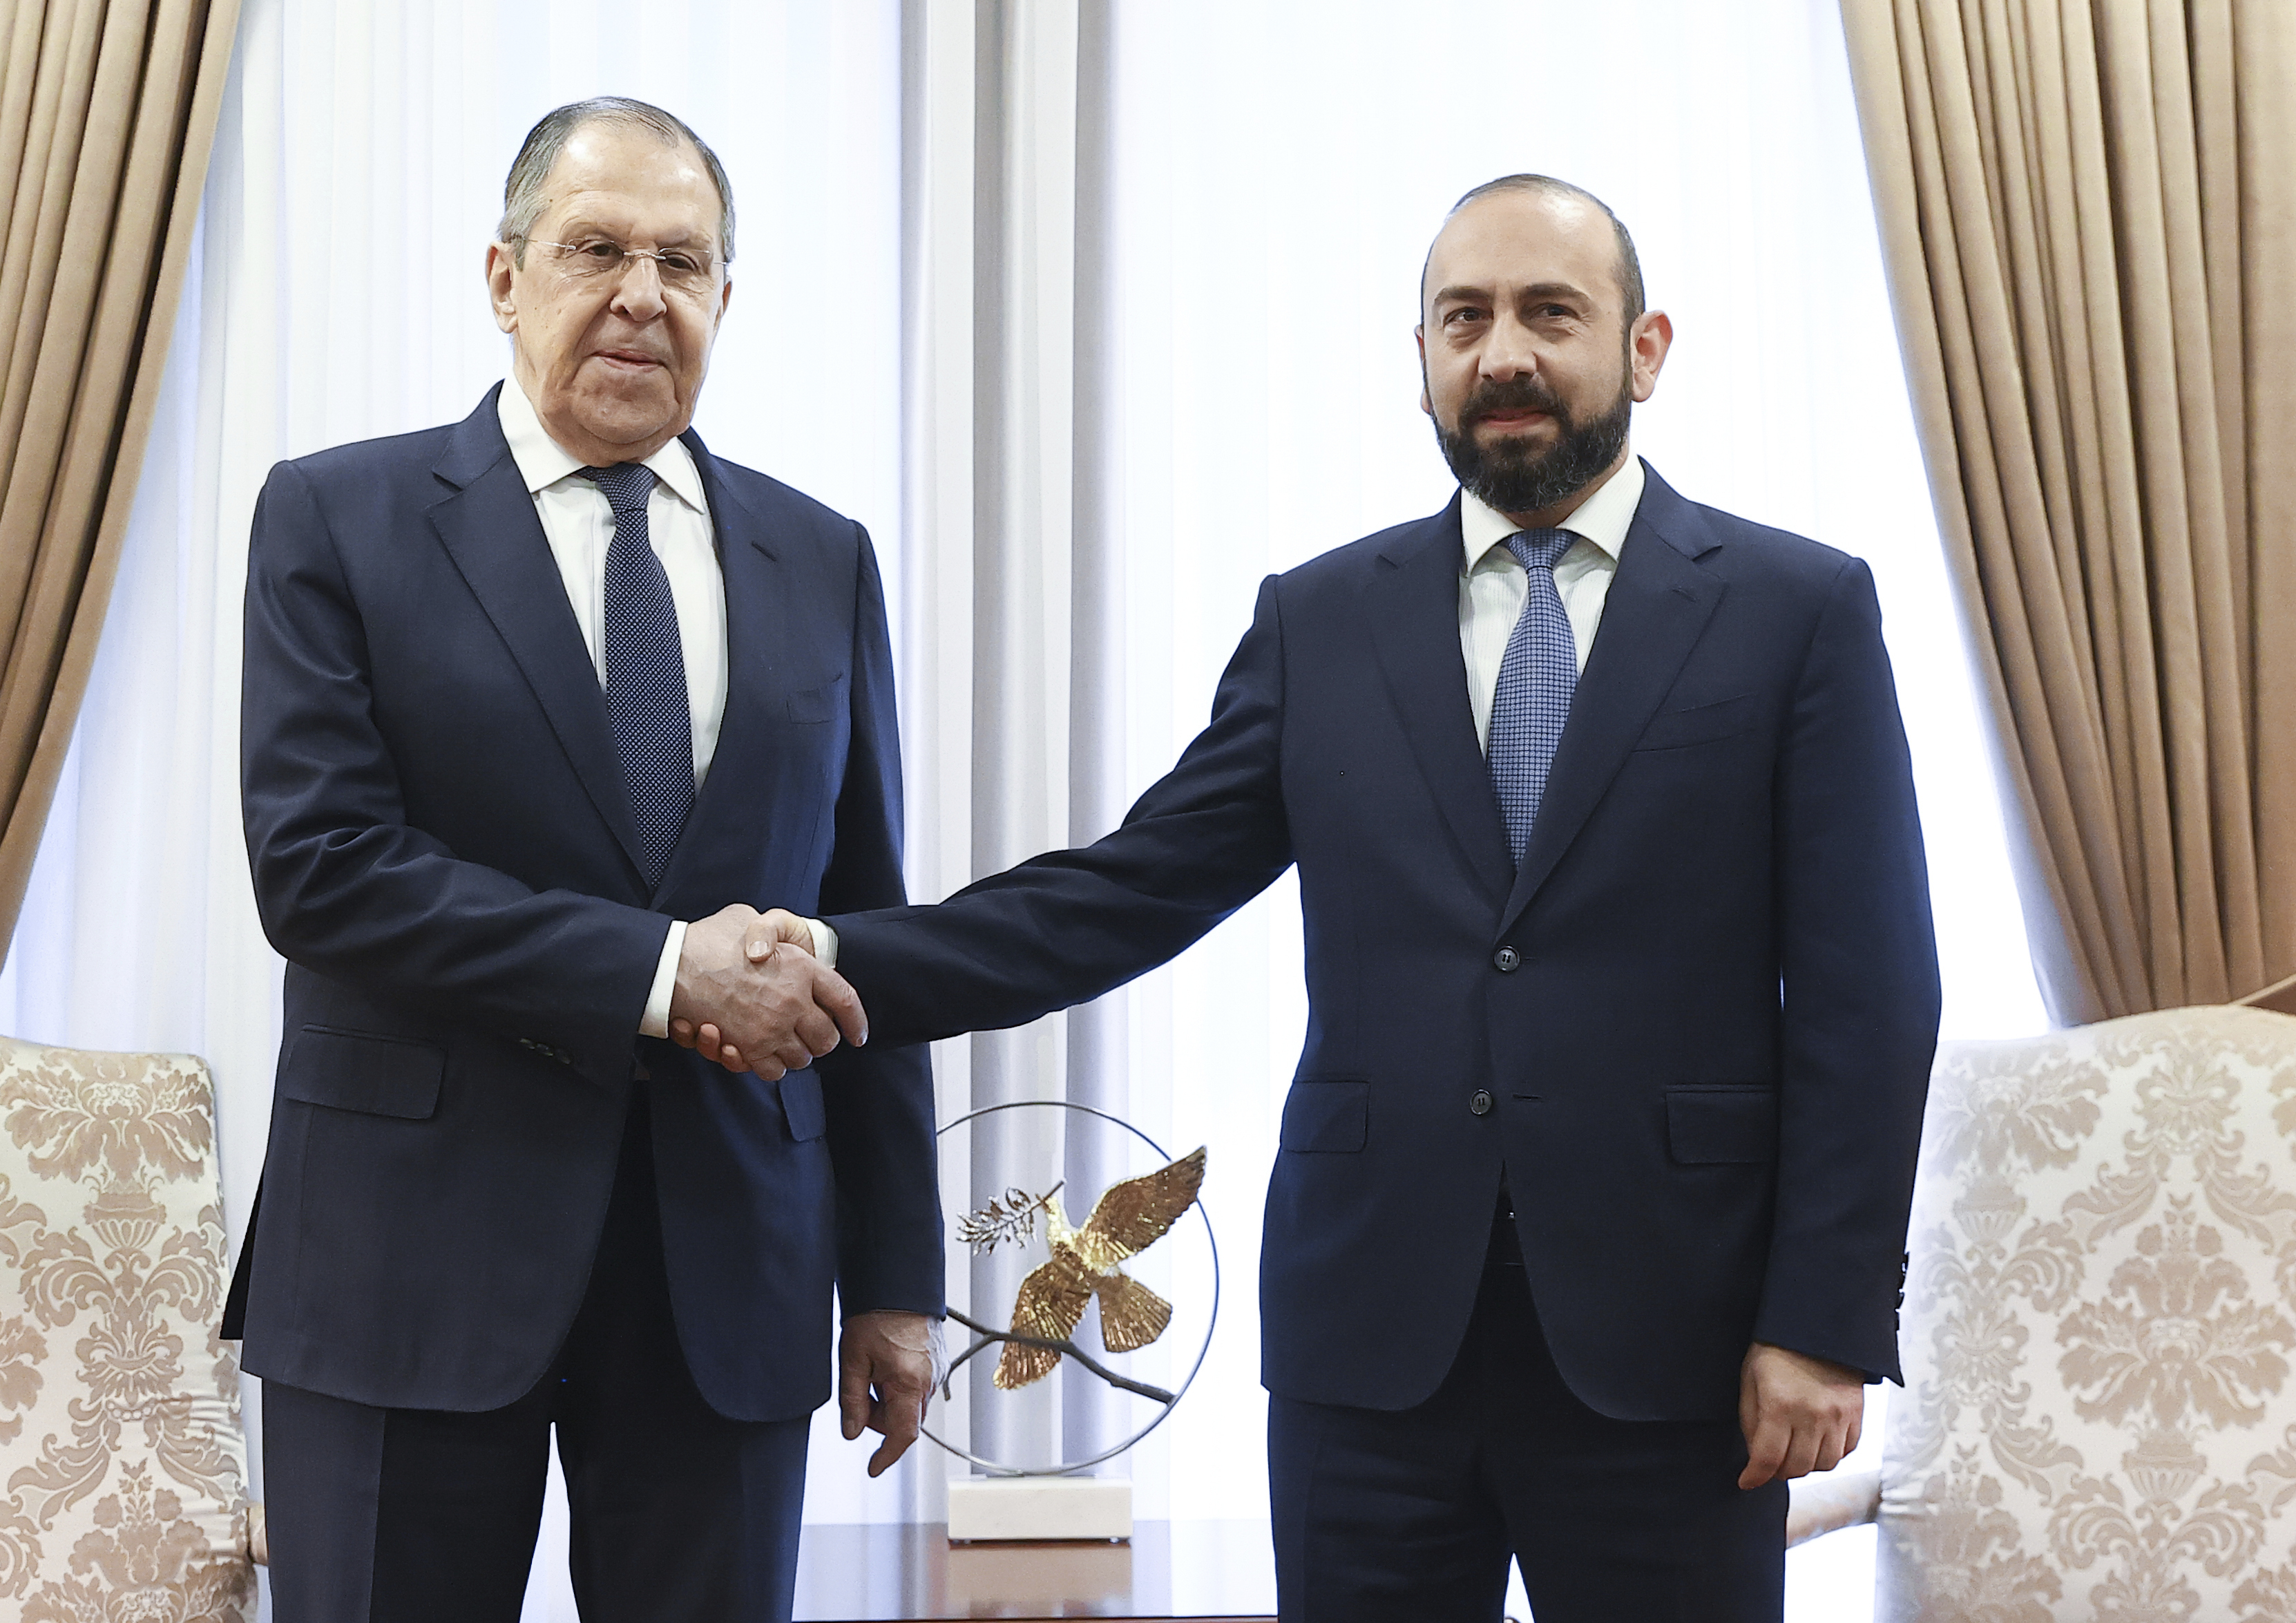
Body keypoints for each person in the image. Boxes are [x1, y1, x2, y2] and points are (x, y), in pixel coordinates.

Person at [699, 175, 1938, 1620]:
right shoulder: (1321, 618)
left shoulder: (1795, 610)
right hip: (1372, 1347)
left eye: (1550, 313)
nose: (1503, 354)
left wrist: (1824, 1320)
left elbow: (1871, 991)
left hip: (1680, 1341)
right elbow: (1123, 890)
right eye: (1463, 318)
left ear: (1644, 348)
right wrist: (839, 953)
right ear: (1420, 354)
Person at [227, 97, 942, 1623]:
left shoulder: (822, 559)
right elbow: (323, 869)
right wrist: (668, 969)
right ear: (503, 277)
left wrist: (891, 1270)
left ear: (725, 302)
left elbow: (864, 929)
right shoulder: (336, 519)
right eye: (595, 248)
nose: (640, 294)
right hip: (404, 1261)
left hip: (727, 1268)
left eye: (683, 262)